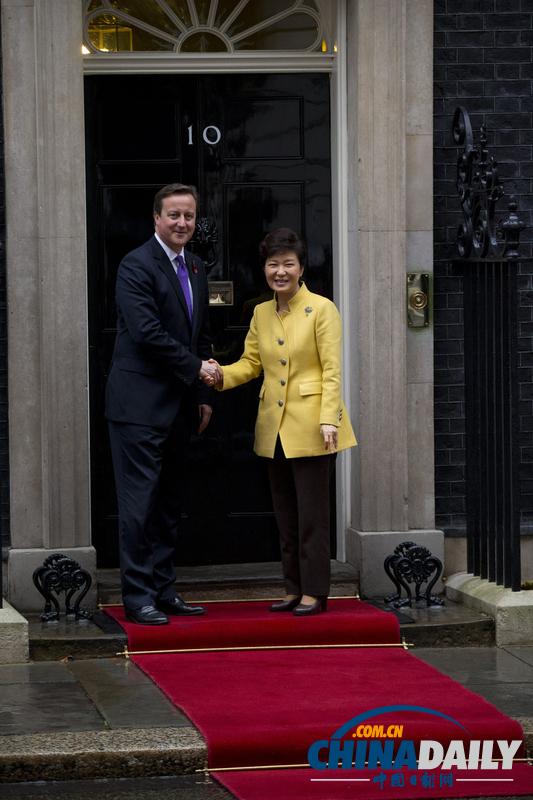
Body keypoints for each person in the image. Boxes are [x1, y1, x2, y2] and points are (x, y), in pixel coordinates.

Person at [212, 228, 356, 616]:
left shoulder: (322, 309)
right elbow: (251, 364)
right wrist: (220, 375)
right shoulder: (261, 311)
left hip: (315, 428)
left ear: (301, 268)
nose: (280, 271)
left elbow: (332, 371)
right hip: (273, 428)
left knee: (312, 517)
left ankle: (315, 592)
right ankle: (293, 588)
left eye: (287, 264)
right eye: (273, 264)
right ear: (264, 268)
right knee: (286, 517)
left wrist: (330, 420)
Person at [105, 183, 222, 626]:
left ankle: (163, 589)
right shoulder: (135, 265)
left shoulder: (195, 266)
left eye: (188, 216)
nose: (181, 223)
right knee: (139, 507)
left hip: (179, 406)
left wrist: (204, 393)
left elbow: (202, 335)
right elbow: (147, 334)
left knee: (170, 504)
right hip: (137, 407)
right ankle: (137, 598)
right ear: (156, 218)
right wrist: (198, 369)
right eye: (173, 215)